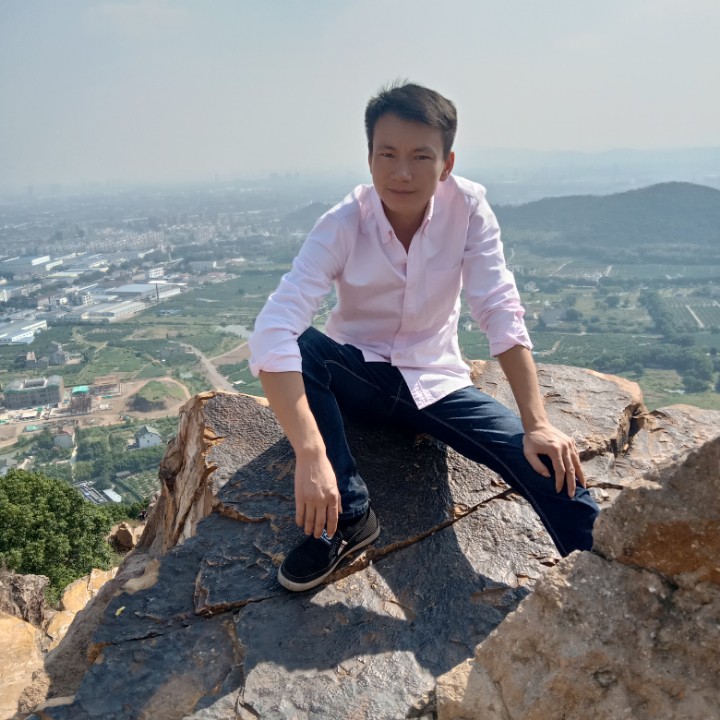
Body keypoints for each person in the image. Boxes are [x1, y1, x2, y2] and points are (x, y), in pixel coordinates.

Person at [248, 82, 599, 592]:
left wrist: (538, 422)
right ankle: (350, 516)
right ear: (369, 158)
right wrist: (311, 454)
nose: (402, 172)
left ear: (446, 163)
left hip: (437, 384)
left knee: (543, 460)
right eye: (387, 154)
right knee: (302, 346)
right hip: (357, 377)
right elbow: (274, 328)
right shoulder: (343, 223)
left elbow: (498, 308)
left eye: (420, 156)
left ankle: (607, 571)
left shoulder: (469, 208)